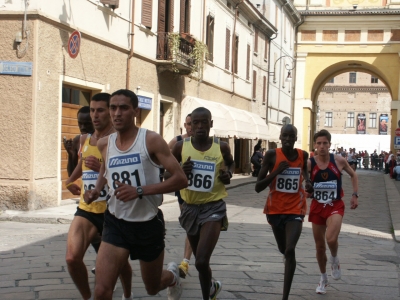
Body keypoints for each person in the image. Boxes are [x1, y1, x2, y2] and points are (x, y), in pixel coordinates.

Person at [84, 89, 188, 300]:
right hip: (116, 222)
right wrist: (96, 189)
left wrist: (139, 191)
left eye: (123, 108)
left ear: (135, 111)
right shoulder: (105, 144)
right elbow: (106, 169)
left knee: (152, 286)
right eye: (113, 108)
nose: (117, 113)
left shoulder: (151, 140)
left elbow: (180, 179)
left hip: (147, 224)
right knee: (102, 290)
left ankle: (173, 277)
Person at [64, 93, 133, 300]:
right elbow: (81, 165)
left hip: (111, 212)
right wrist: (69, 182)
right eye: (92, 110)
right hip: (87, 208)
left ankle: (128, 295)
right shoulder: (85, 138)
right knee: (71, 258)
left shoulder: (118, 141)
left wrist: (104, 168)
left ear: (110, 112)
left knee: (120, 265)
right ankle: (87, 297)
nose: (95, 115)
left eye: (100, 110)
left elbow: (125, 174)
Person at [171, 107, 234, 300]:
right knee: (200, 260)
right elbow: (167, 173)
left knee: (201, 260)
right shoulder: (180, 147)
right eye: (195, 122)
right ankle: (212, 287)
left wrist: (227, 174)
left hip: (213, 207)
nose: (199, 126)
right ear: (189, 125)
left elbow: (230, 163)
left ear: (211, 124)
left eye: (203, 122)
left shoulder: (221, 146)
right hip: (190, 208)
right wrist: (181, 170)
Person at [254, 124, 313, 300]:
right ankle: (288, 259)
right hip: (275, 209)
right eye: (284, 136)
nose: (288, 139)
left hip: (296, 208)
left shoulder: (303, 155)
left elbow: (304, 172)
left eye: (291, 136)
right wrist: (276, 172)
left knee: (290, 249)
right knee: (283, 248)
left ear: (296, 138)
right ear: (280, 138)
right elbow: (258, 187)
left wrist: (308, 182)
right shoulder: (272, 155)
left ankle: (285, 296)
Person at [308, 129, 359, 295]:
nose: (322, 146)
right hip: (317, 206)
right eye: (319, 143)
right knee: (320, 247)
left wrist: (354, 195)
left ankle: (335, 258)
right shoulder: (310, 163)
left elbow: (353, 175)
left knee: (331, 239)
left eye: (325, 143)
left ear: (330, 144)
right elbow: (303, 180)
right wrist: (306, 189)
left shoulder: (339, 160)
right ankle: (323, 278)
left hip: (335, 204)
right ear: (315, 145)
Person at [167, 114, 194, 279]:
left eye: (195, 123)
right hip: (183, 189)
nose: (192, 127)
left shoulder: (208, 144)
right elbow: (165, 165)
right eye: (190, 124)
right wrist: (179, 169)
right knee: (189, 224)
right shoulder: (176, 142)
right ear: (185, 125)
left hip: (202, 194)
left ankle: (185, 262)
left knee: (192, 225)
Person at [63, 106, 94, 176]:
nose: (83, 127)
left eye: (87, 124)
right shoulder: (77, 141)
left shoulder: (103, 139)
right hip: (87, 185)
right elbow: (71, 174)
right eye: (80, 123)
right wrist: (71, 155)